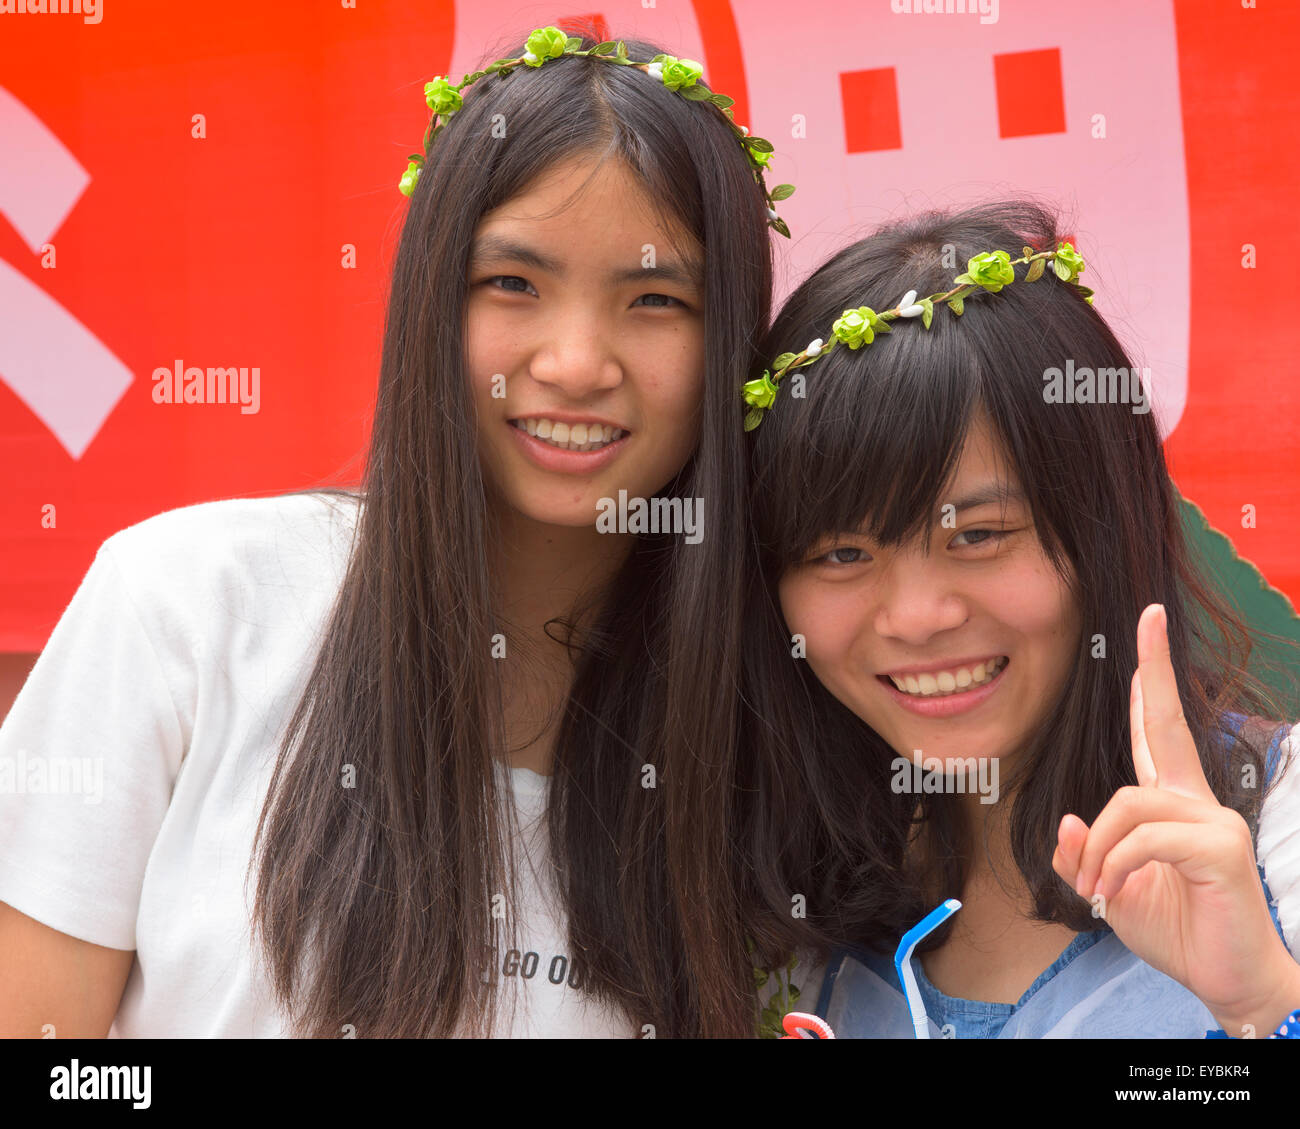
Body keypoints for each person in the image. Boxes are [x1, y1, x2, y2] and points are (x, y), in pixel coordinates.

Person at [0, 26, 793, 1038]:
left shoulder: (766, 733)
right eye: (513, 284)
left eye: (653, 299)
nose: (577, 362)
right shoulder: (185, 603)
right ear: (428, 301)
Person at [739, 199, 1300, 1038]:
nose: (919, 617)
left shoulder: (1277, 828)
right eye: (842, 554)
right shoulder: (778, 905)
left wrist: (1262, 1005)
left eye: (980, 535)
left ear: (1105, 530)